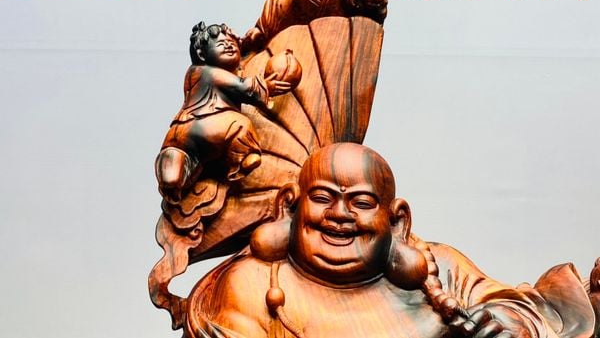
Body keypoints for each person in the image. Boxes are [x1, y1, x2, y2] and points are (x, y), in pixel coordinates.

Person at [184, 143, 595, 338]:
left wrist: (506, 325)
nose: (339, 215)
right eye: (322, 198)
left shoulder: (439, 268)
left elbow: (520, 305)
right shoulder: (251, 284)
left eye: (361, 202)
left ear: (397, 220)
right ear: (290, 206)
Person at [156, 21, 291, 203]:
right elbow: (242, 88)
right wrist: (266, 86)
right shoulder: (208, 72)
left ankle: (173, 178)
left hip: (179, 133)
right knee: (240, 125)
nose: (229, 45)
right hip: (209, 125)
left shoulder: (193, 73)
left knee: (180, 164)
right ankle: (244, 157)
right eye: (221, 44)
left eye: (232, 43)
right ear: (201, 54)